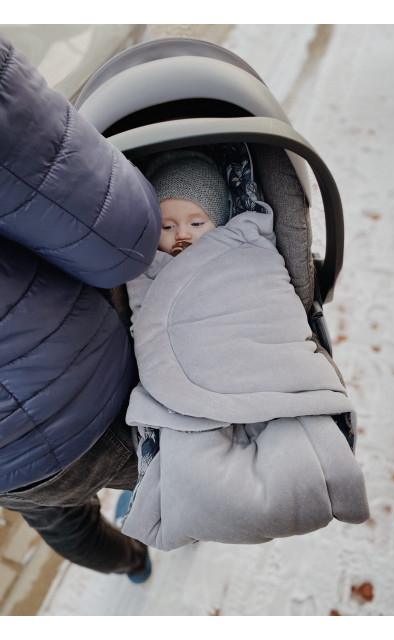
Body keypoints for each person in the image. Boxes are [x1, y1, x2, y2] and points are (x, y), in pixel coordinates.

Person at [120, 149, 370, 551]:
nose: (181, 234)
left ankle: (314, 475)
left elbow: (265, 296)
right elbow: (141, 318)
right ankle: (197, 503)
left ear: (218, 221)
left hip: (259, 356)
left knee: (297, 447)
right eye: (166, 226)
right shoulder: (145, 266)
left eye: (196, 222)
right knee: (195, 464)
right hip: (187, 381)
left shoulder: (246, 243)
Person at [0, 33, 161, 581]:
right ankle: (155, 513)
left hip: (9, 470)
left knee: (63, 521)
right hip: (81, 388)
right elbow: (122, 238)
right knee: (168, 466)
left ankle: (131, 561)